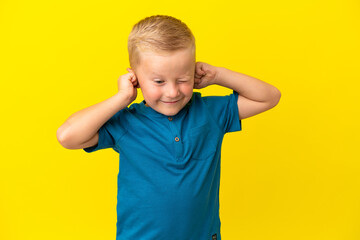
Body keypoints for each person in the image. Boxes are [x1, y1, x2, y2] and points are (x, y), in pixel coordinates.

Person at [56, 14, 281, 240]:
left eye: (183, 79)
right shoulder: (126, 122)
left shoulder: (210, 112)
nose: (172, 92)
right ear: (135, 78)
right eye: (159, 81)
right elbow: (67, 136)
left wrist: (219, 75)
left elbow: (269, 97)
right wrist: (122, 98)